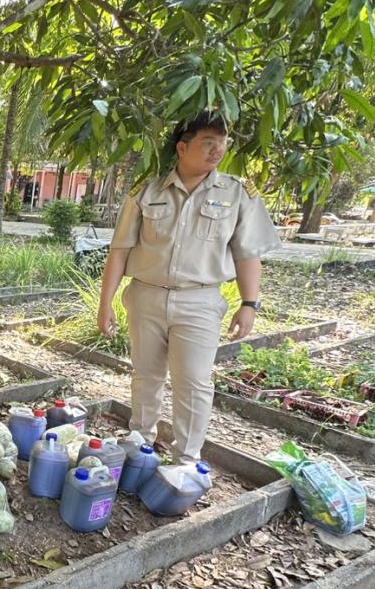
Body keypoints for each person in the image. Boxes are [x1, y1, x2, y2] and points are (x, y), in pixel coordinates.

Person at [97, 112, 279, 462]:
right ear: (182, 147)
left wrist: (249, 303)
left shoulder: (237, 194)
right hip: (146, 295)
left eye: (222, 144)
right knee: (146, 376)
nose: (217, 152)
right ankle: (139, 443)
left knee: (193, 384)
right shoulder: (148, 191)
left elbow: (247, 254)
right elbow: (119, 252)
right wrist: (105, 304)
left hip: (200, 301)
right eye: (207, 143)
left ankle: (186, 458)